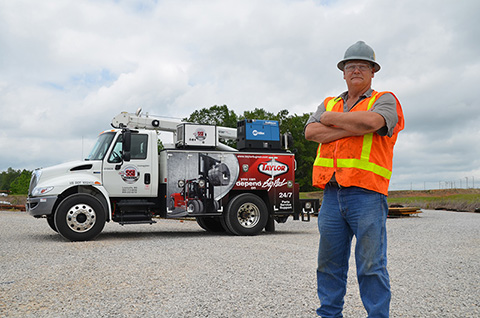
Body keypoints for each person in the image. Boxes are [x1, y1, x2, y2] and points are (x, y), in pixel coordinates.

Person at [304, 41, 405, 317]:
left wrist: (330, 120)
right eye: (351, 66)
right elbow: (311, 132)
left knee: (371, 266)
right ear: (343, 72)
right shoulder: (329, 102)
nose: (356, 70)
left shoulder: (385, 100)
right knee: (328, 264)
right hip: (331, 196)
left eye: (363, 66)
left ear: (373, 72)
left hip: (368, 195)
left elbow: (373, 123)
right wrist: (351, 126)